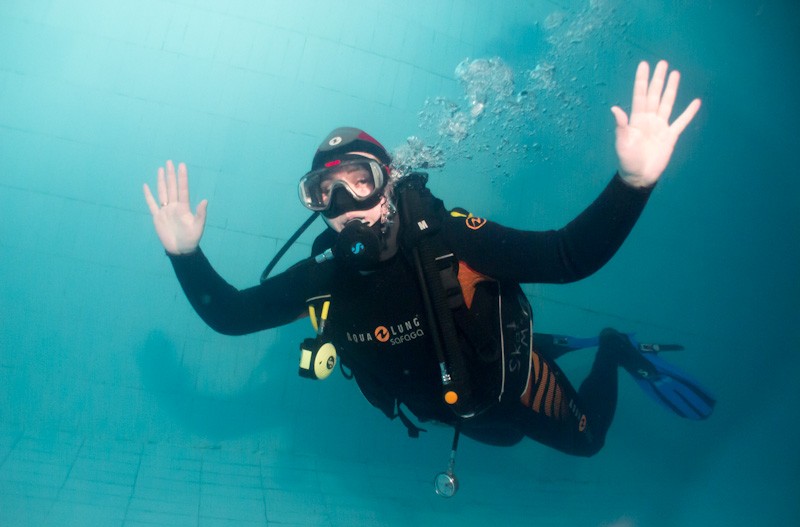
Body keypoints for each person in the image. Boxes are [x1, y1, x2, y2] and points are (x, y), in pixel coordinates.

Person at [143, 60, 711, 456]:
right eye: (323, 193)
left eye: (358, 181)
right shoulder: (324, 279)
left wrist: (632, 183)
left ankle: (607, 351)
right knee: (502, 438)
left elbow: (567, 256)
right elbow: (233, 315)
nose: (343, 206)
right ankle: (529, 345)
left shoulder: (451, 240)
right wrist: (185, 254)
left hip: (509, 390)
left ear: (387, 183)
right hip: (458, 408)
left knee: (586, 442)